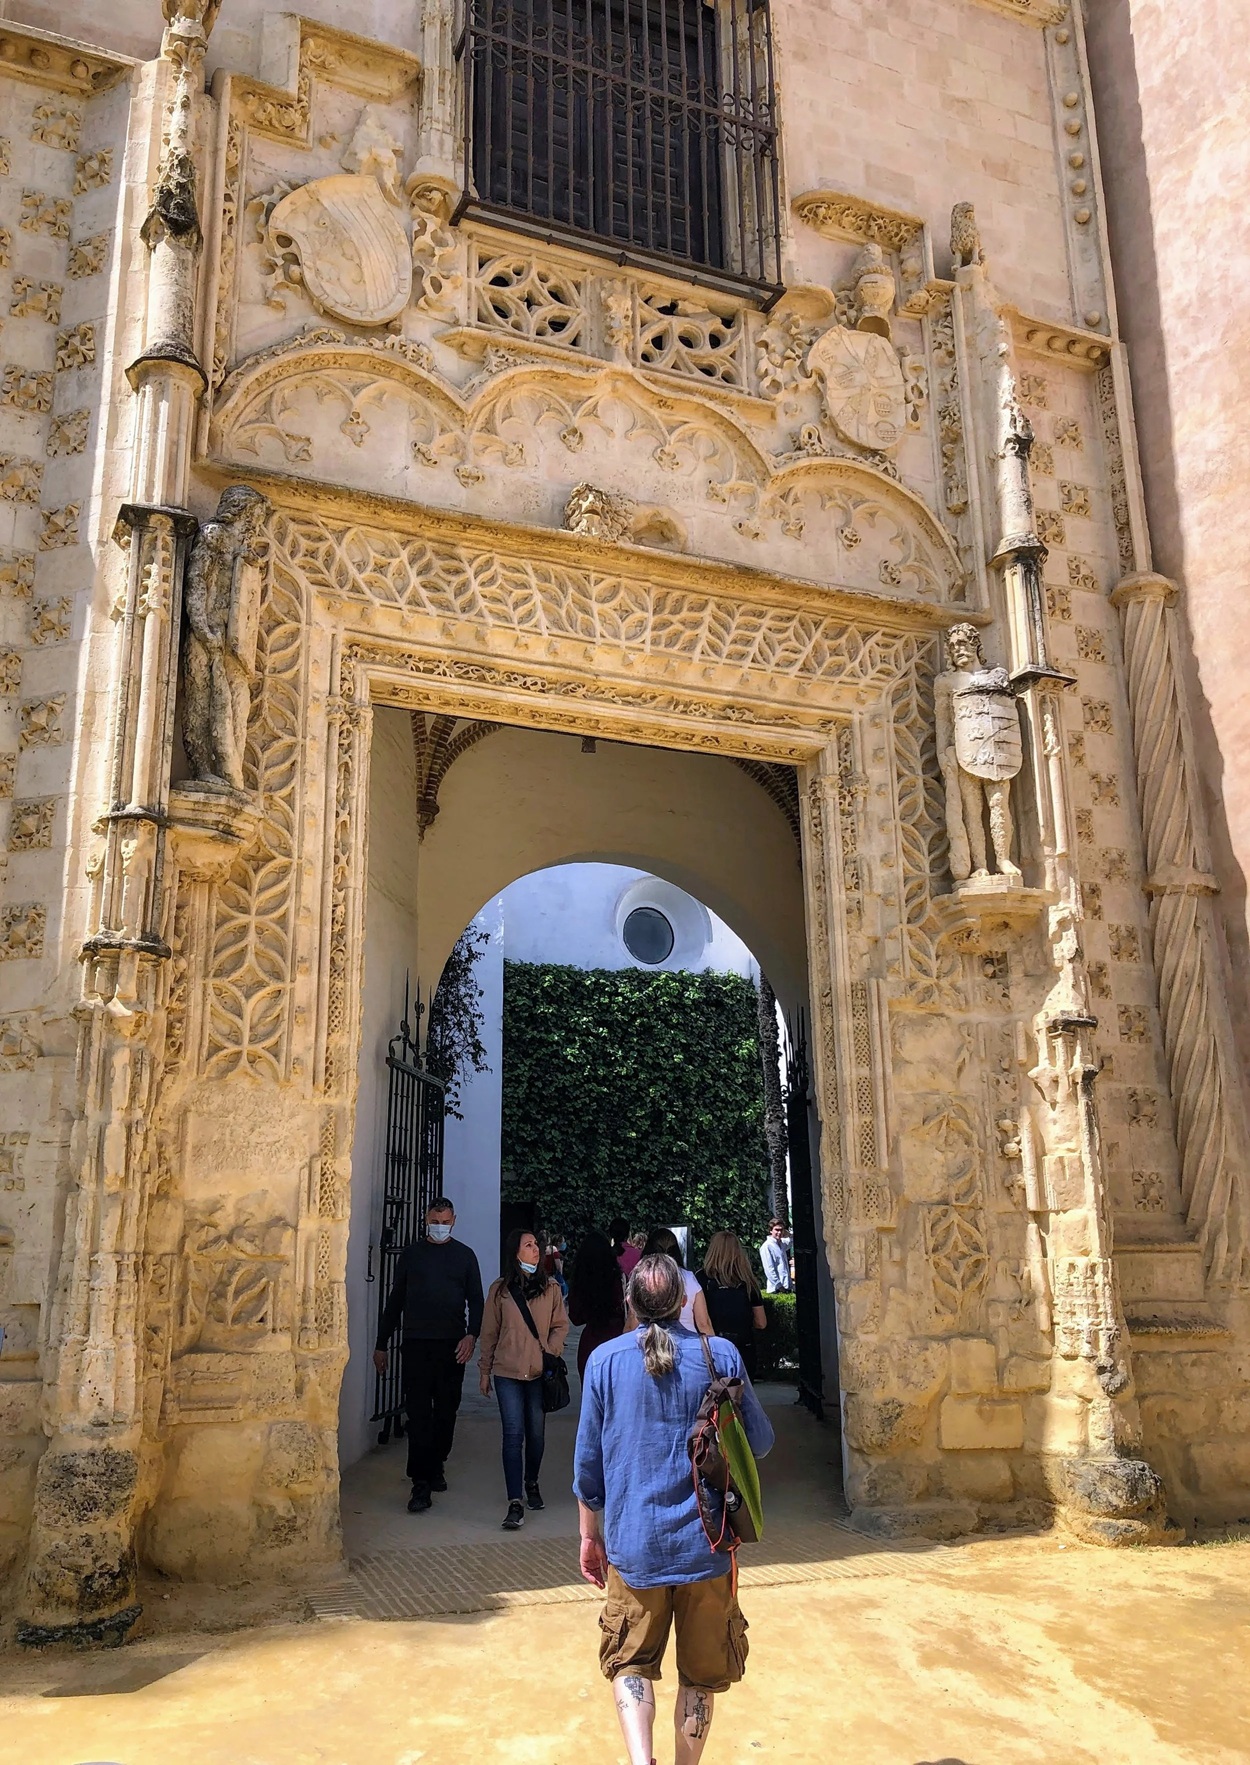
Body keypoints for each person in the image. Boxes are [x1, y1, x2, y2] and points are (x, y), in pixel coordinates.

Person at [574, 1254, 775, 1765]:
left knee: (631, 1663)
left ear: (631, 1301)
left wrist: (588, 1537)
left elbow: (588, 1466)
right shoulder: (721, 1355)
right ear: (684, 1301)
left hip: (634, 1544)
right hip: (707, 1547)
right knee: (702, 1673)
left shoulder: (604, 1361)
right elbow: (762, 1441)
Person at [374, 1196, 484, 1514]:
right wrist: (382, 1343)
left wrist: (471, 1335)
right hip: (416, 1344)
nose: (439, 1226)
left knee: (446, 1413)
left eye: (445, 1222)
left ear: (454, 1221)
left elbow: (476, 1301)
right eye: (434, 1221)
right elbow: (396, 1300)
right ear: (426, 1220)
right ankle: (420, 1483)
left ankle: (437, 1463)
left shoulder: (465, 1257)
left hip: (451, 1346)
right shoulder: (412, 1254)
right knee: (419, 1415)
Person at [479, 1227, 570, 1530]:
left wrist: (550, 1349)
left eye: (536, 1244)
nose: (535, 1249)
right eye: (528, 1245)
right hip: (508, 1372)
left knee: (537, 1433)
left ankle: (532, 1481)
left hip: (538, 1372)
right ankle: (514, 1500)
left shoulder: (551, 1288)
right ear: (515, 1252)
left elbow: (560, 1324)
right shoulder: (500, 1291)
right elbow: (489, 1333)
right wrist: (484, 1370)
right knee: (512, 1435)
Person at [697, 1232, 767, 1381]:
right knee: (741, 1397)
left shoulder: (701, 1279)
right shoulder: (748, 1282)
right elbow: (761, 1322)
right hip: (743, 1348)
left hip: (712, 1348)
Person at [568, 1229, 627, 1382]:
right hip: (617, 1339)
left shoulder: (581, 1281)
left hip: (590, 1341)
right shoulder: (618, 1278)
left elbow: (575, 1317)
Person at [641, 1227, 712, 1335]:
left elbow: (632, 1322)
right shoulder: (689, 1277)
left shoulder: (643, 1278)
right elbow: (704, 1323)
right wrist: (712, 1349)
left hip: (650, 1342)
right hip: (688, 1344)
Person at [758, 1219, 792, 1294]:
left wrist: (788, 1234)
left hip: (786, 1286)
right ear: (771, 1230)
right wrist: (779, 1286)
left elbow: (792, 1240)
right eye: (777, 1230)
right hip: (775, 1289)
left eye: (781, 1230)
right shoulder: (767, 1246)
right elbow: (769, 1269)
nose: (779, 1232)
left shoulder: (782, 1243)